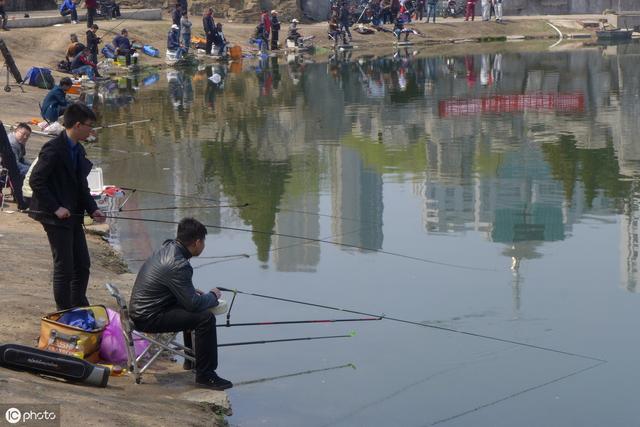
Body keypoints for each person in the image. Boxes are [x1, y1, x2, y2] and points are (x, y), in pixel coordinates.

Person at [129, 217, 232, 391]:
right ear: (198, 242)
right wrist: (213, 296)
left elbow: (177, 290)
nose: (204, 246)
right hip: (148, 317)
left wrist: (190, 293)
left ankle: (190, 361)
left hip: (142, 310)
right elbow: (193, 305)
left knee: (191, 309)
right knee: (205, 318)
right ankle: (206, 375)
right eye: (204, 242)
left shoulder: (168, 247)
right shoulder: (179, 264)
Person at [29, 102, 106, 310]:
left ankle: (77, 302)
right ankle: (63, 312)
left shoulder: (78, 150)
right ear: (78, 125)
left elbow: (81, 185)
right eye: (90, 125)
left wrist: (93, 209)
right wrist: (56, 207)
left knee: (82, 265)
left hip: (73, 215)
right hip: (54, 216)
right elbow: (36, 181)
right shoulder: (54, 148)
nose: (92, 130)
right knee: (64, 267)